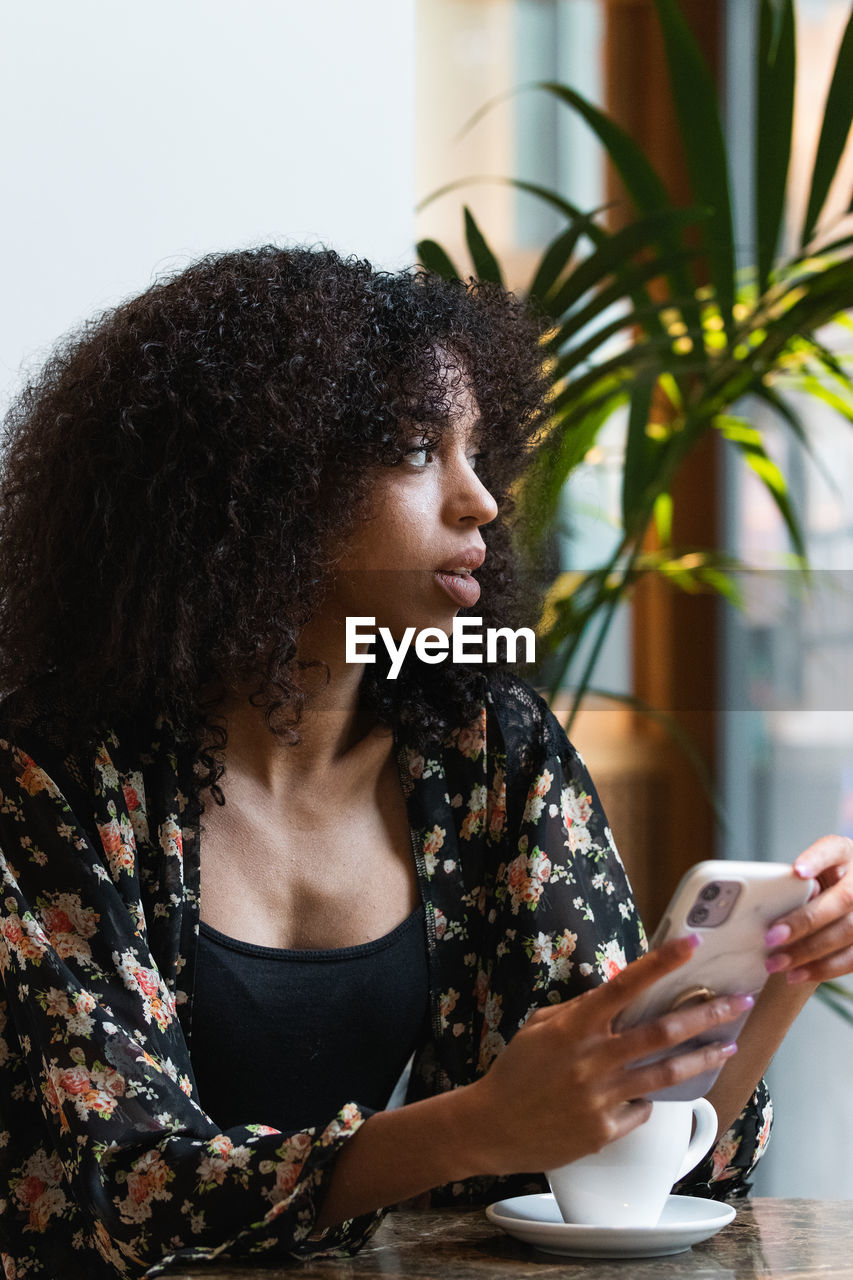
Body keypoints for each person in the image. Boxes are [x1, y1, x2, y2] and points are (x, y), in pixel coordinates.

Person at [0, 246, 851, 1280]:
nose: (480, 500)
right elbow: (98, 1188)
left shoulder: (490, 751)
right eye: (415, 450)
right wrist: (478, 1126)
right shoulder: (48, 783)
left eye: (475, 449)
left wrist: (780, 977)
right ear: (259, 487)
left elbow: (632, 1161)